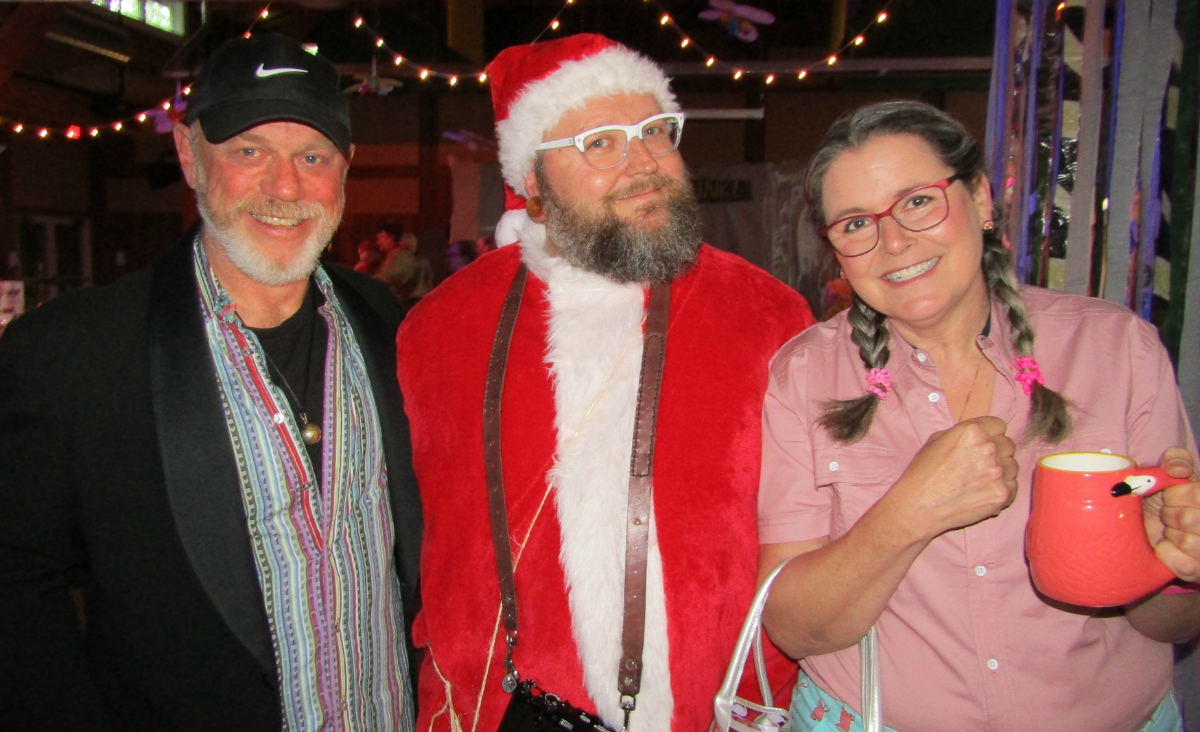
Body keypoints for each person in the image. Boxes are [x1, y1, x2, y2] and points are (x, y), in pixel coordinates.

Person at [0, 33, 422, 732]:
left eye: (311, 157)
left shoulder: (386, 321)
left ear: (344, 173)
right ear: (190, 156)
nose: (285, 187)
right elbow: (15, 581)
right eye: (249, 151)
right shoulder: (72, 355)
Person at [396, 33, 815, 732]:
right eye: (600, 143)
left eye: (656, 131)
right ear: (531, 181)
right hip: (502, 711)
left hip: (718, 713)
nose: (645, 162)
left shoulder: (769, 317)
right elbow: (435, 551)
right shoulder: (440, 332)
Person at [758, 101, 1200, 732]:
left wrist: (1175, 563)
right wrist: (909, 511)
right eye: (856, 223)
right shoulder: (803, 376)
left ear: (982, 200)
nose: (894, 241)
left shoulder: (1116, 350)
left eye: (917, 202)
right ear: (836, 252)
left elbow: (1172, 624)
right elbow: (794, 627)